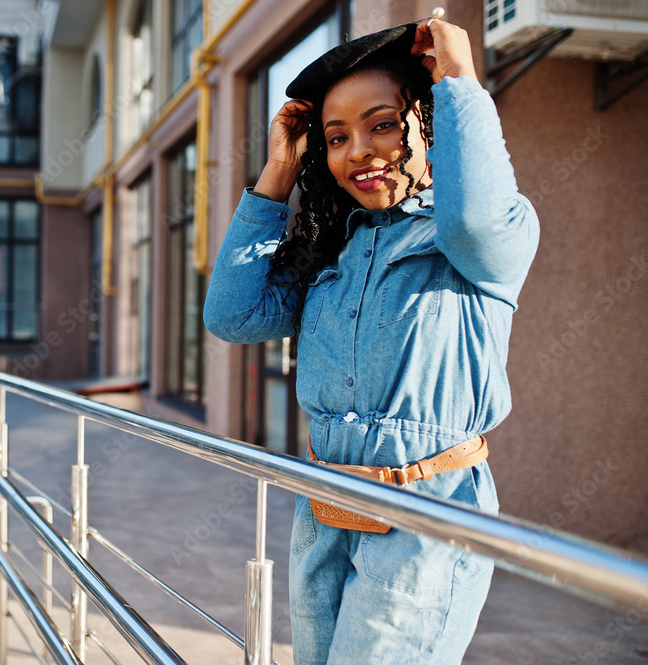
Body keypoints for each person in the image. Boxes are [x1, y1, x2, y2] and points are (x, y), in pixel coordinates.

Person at [202, 16, 539, 665]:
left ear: (428, 121)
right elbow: (232, 316)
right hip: (325, 511)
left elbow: (470, 217)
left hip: (424, 519)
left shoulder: (478, 241)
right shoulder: (335, 252)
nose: (358, 149)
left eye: (382, 123)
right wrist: (277, 170)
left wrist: (461, 81)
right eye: (335, 137)